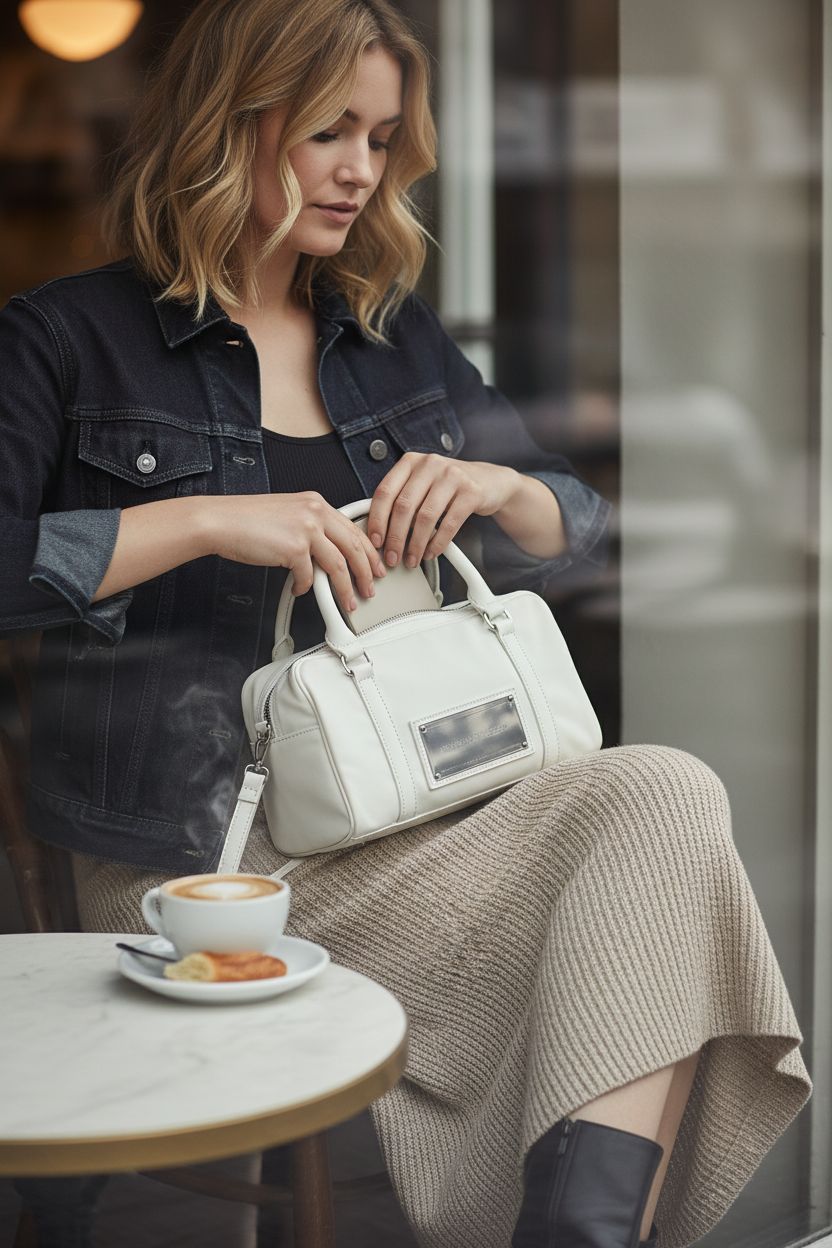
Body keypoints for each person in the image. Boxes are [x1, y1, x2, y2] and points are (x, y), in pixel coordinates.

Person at [0, 1, 812, 1246]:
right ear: (230, 124)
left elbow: (574, 520)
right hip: (201, 859)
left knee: (661, 796)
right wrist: (210, 521)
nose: (359, 171)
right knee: (638, 899)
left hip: (413, 815)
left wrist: (498, 488)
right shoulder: (65, 338)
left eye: (379, 139)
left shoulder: (391, 339)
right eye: (327, 131)